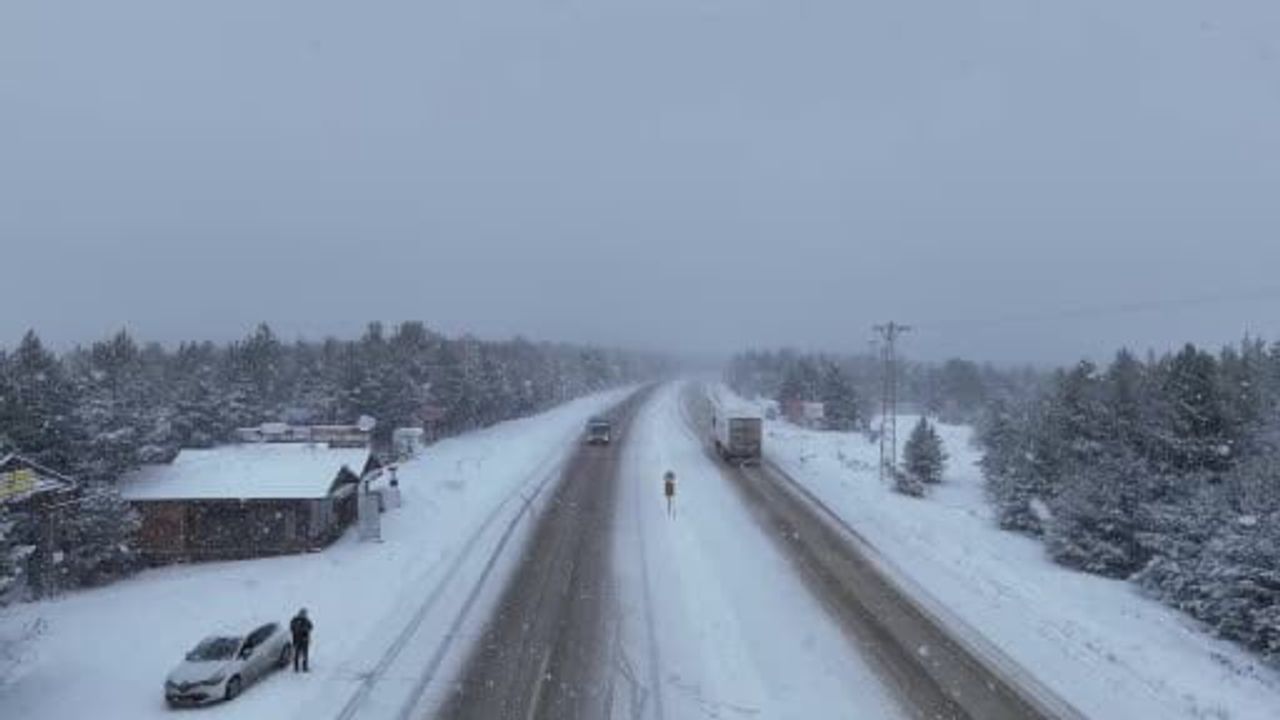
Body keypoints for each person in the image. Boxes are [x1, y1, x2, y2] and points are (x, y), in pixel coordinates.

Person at [290, 608, 313, 672]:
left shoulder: (306, 621)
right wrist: (300, 629)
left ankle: (304, 667)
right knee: (297, 655)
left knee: (304, 654)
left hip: (304, 640)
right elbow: (292, 628)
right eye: (302, 614)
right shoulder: (295, 620)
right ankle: (297, 667)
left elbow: (311, 627)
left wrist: (304, 629)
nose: (303, 615)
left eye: (304, 614)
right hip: (298, 640)